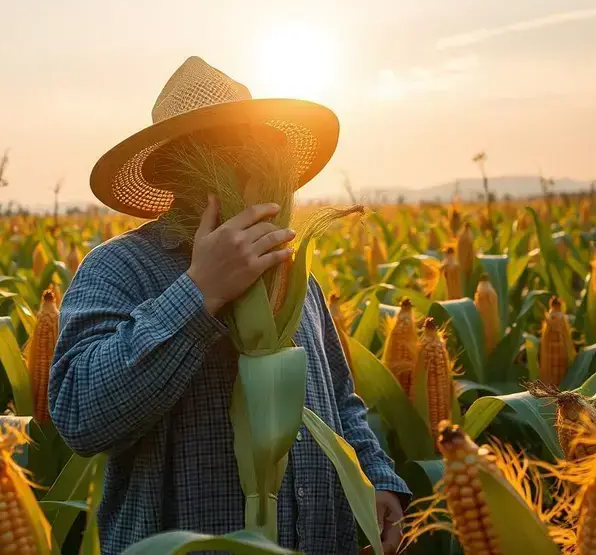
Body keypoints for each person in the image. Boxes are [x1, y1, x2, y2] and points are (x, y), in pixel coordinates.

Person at [49, 56, 410, 554]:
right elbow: (79, 414)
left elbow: (341, 398)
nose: (247, 162)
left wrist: (374, 476)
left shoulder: (292, 269)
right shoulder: (120, 267)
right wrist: (200, 290)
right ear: (177, 171)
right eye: (222, 151)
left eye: (256, 147)